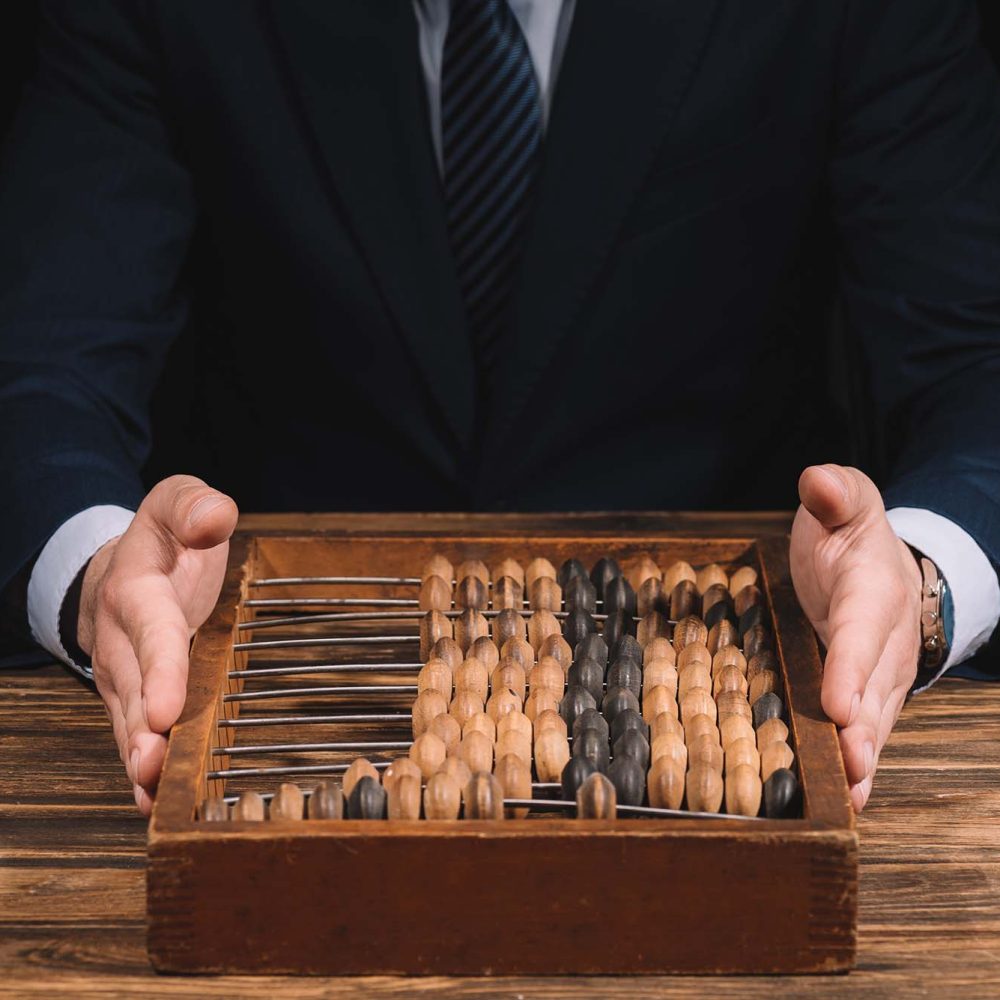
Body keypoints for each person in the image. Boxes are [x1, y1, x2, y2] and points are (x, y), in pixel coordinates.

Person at [1, 1, 998, 817]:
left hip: (709, 684)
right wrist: (95, 576)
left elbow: (974, 357)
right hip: (299, 688)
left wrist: (918, 579)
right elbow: (44, 362)